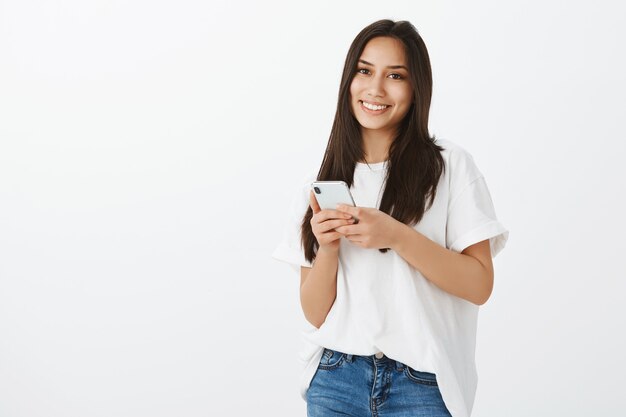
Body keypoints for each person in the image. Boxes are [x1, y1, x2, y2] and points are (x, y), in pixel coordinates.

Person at [272, 19, 508, 417]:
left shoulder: (450, 167)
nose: (375, 89)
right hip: (336, 377)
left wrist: (396, 235)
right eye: (364, 71)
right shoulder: (322, 182)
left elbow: (479, 284)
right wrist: (328, 249)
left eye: (395, 75)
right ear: (349, 80)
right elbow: (314, 313)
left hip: (422, 385)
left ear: (417, 89)